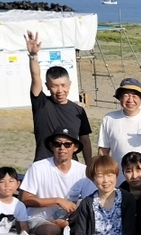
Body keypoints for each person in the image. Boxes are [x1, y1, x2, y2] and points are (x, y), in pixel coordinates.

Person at [24, 31, 92, 164]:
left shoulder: (78, 111)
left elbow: (85, 139)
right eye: (54, 86)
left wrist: (89, 165)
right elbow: (35, 77)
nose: (60, 91)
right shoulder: (41, 104)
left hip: (70, 166)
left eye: (63, 85)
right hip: (44, 164)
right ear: (47, 86)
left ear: (70, 84)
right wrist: (33, 56)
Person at [70, 155, 138, 235]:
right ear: (92, 178)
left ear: (116, 175)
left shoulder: (127, 199)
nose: (106, 180)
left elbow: (129, 232)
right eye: (100, 176)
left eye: (110, 175)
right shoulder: (87, 203)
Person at [20, 127, 86, 235]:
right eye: (57, 144)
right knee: (52, 231)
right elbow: (25, 199)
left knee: (89, 221)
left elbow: (91, 200)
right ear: (52, 147)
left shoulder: (83, 171)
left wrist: (69, 220)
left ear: (75, 147)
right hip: (37, 218)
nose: (62, 148)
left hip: (67, 219)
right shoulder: (38, 168)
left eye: (67, 144)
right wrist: (57, 200)